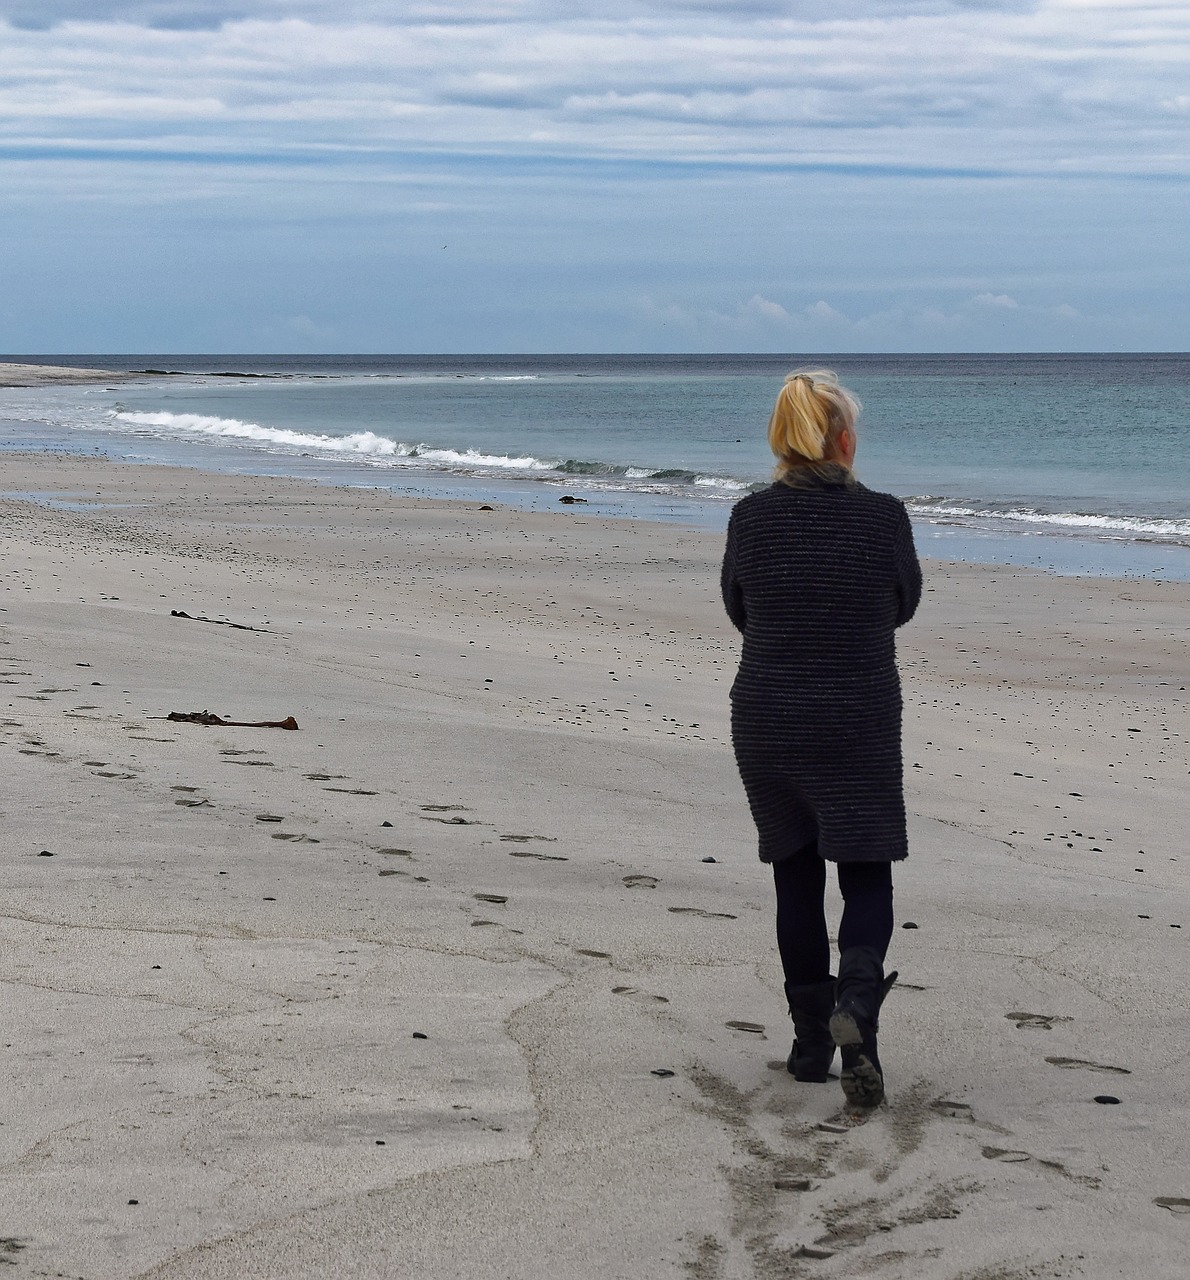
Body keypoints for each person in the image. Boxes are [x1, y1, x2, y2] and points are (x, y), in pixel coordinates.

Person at [720, 369, 921, 1107]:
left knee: (794, 871)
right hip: (857, 716)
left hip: (768, 716)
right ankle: (857, 1007)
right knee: (865, 870)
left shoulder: (750, 518)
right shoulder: (884, 517)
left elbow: (739, 607)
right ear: (844, 437)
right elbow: (903, 603)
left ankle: (810, 1044)